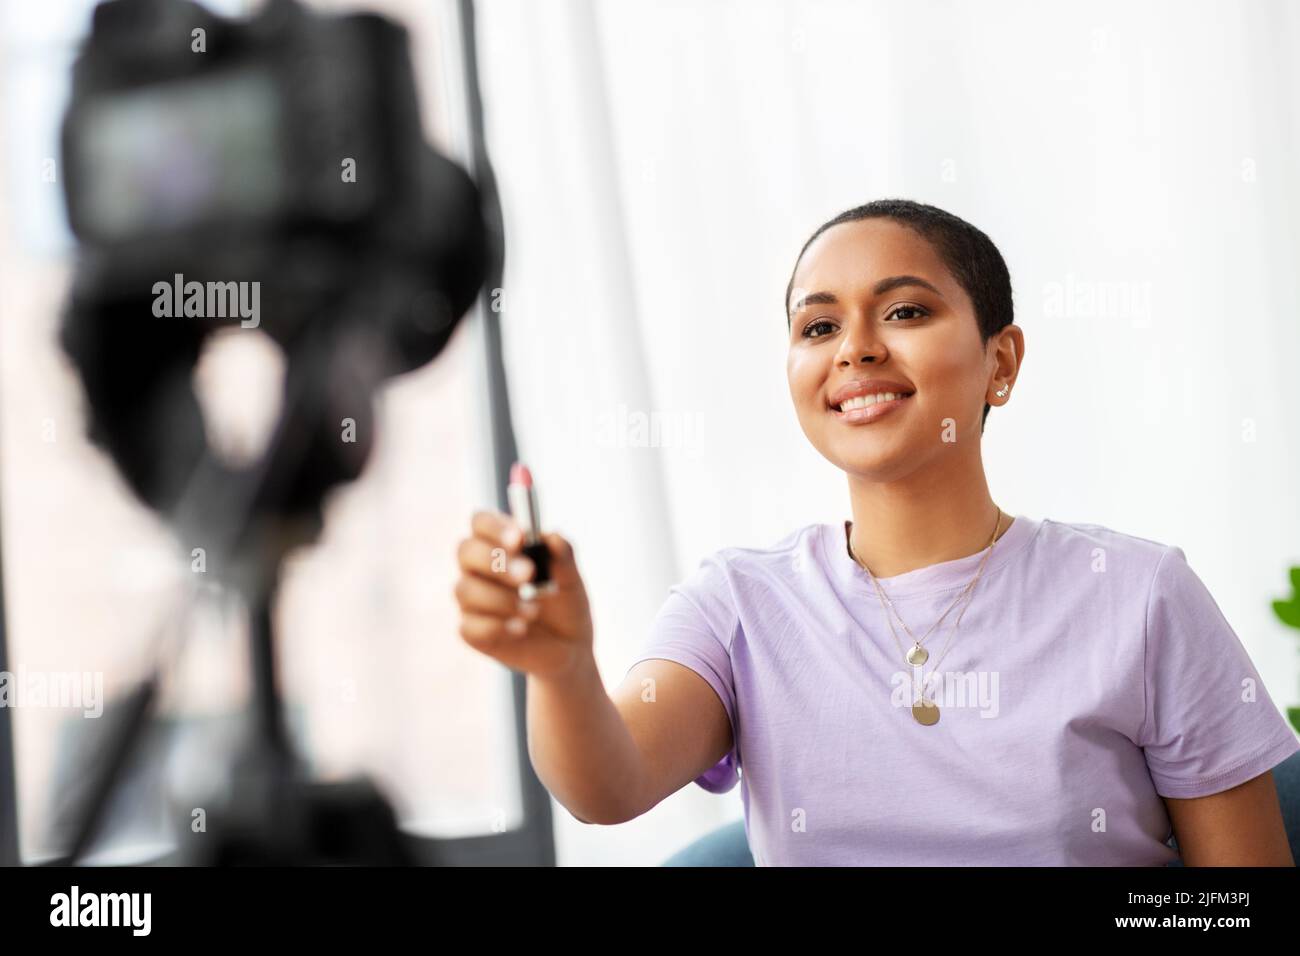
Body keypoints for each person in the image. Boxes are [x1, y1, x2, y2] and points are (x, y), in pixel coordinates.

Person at [453, 199, 1299, 866]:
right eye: (818, 327)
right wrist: (561, 670)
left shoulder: (1140, 594)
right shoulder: (738, 603)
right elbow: (609, 783)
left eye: (903, 311)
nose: (854, 350)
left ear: (999, 362)